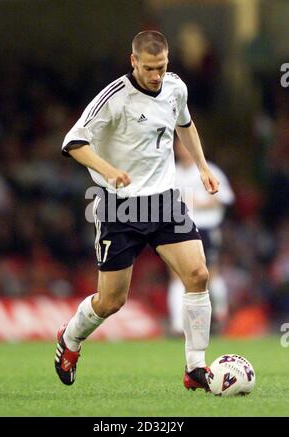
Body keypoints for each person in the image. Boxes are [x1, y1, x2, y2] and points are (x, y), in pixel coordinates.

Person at [55, 30, 219, 391]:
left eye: (161, 67)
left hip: (164, 201)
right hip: (119, 207)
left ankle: (195, 368)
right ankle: (70, 338)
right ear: (133, 62)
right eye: (149, 68)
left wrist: (203, 166)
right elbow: (73, 142)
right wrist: (110, 171)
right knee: (111, 301)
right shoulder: (114, 98)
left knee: (198, 274)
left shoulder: (176, 87)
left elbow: (185, 125)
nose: (156, 75)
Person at [167, 139, 235, 336]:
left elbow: (224, 198)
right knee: (176, 275)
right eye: (180, 146)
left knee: (210, 274)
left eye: (188, 146)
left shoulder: (208, 169)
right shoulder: (172, 173)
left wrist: (197, 202)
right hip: (181, 228)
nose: (184, 150)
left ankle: (221, 317)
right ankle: (178, 324)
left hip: (206, 228)